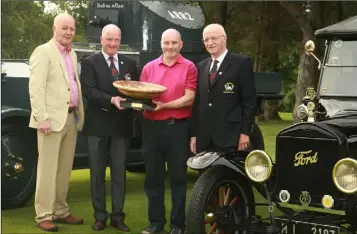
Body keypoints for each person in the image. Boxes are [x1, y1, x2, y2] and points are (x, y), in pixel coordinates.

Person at [28, 13, 85, 232]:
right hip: (49, 121)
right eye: (64, 28)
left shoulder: (73, 55)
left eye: (71, 28)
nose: (69, 32)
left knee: (64, 170)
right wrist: (41, 118)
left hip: (70, 118)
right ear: (54, 28)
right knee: (47, 170)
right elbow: (36, 88)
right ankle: (43, 215)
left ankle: (60, 211)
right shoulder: (43, 52)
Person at [80, 24, 138, 232]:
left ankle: (117, 217)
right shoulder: (89, 62)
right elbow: (89, 91)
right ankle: (100, 217)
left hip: (121, 128)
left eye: (116, 40)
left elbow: (136, 91)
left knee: (119, 174)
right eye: (109, 39)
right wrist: (110, 99)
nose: (113, 44)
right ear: (101, 40)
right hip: (97, 128)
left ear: (120, 40)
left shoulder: (130, 64)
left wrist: (141, 102)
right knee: (97, 175)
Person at [140, 28, 197, 234]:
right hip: (152, 128)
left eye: (174, 43)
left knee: (177, 179)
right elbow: (142, 95)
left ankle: (177, 225)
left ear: (180, 44)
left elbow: (189, 98)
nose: (170, 47)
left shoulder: (189, 67)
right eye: (166, 43)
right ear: (161, 44)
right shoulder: (149, 67)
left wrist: (165, 106)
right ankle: (156, 223)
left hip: (177, 128)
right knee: (153, 179)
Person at [190, 23, 257, 154]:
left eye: (213, 38)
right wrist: (194, 134)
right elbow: (197, 104)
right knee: (206, 175)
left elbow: (250, 102)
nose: (210, 43)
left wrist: (245, 132)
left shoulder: (241, 63)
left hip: (231, 137)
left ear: (224, 38)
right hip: (205, 139)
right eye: (206, 40)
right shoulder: (200, 67)